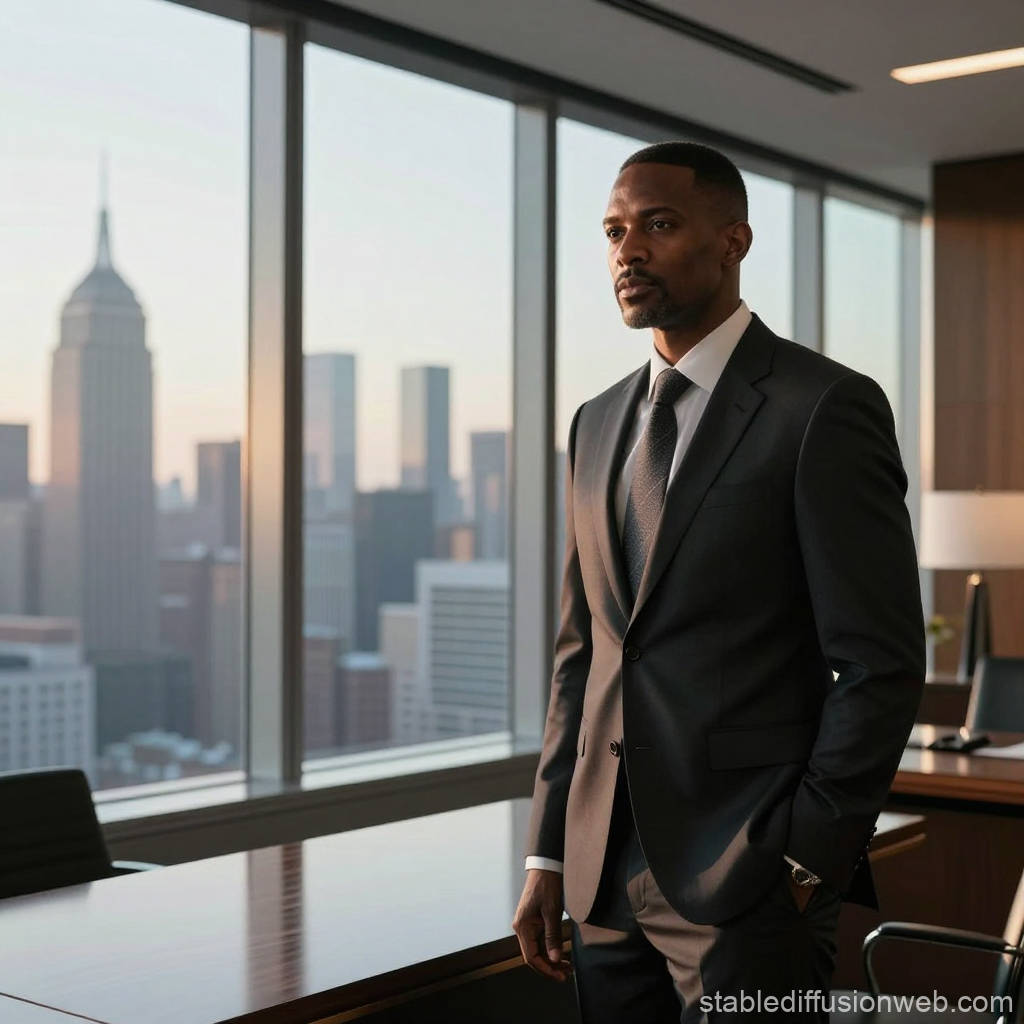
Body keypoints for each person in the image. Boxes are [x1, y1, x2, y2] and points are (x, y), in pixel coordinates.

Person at [511, 141, 925, 1023]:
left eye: (658, 225)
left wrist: (807, 856)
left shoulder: (822, 407)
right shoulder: (595, 424)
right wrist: (548, 854)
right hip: (602, 878)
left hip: (751, 881)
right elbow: (581, 659)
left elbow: (881, 663)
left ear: (734, 240)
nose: (629, 251)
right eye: (616, 230)